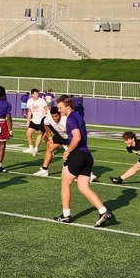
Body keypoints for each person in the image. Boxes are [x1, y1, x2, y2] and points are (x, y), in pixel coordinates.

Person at [54, 95, 113, 226]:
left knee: (65, 184)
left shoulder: (71, 118)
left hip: (77, 156)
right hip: (87, 156)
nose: (59, 110)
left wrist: (68, 151)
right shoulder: (78, 115)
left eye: (60, 107)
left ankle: (66, 215)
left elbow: (77, 137)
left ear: (68, 105)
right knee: (83, 187)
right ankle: (104, 211)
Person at [33, 106, 68, 177]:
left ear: (60, 114)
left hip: (70, 136)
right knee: (49, 148)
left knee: (78, 154)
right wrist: (50, 137)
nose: (54, 118)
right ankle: (44, 170)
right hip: (60, 135)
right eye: (53, 116)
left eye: (56, 116)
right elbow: (46, 124)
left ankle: (87, 173)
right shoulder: (48, 117)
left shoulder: (66, 119)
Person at [25, 88, 50, 154]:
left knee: (42, 135)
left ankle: (36, 149)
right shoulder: (29, 101)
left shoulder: (41, 100)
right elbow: (29, 111)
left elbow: (47, 109)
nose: (37, 94)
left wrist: (47, 116)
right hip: (34, 121)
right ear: (32, 94)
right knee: (28, 134)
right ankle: (31, 148)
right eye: (36, 93)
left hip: (41, 121)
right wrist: (28, 120)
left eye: (37, 93)